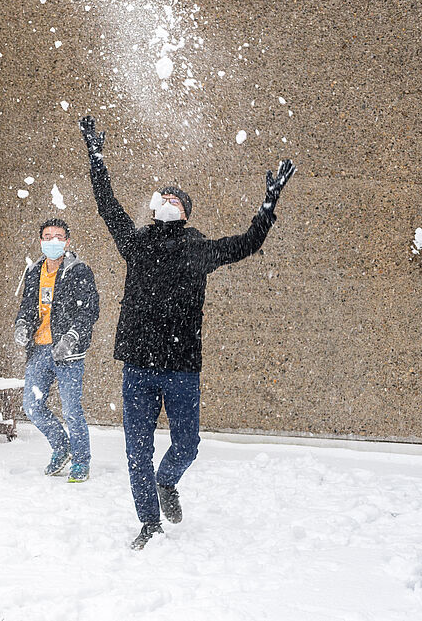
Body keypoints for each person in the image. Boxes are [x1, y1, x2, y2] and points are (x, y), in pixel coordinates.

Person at [78, 115, 295, 550]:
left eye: (178, 199)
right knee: (135, 451)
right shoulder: (136, 243)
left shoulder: (199, 249)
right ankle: (149, 523)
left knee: (188, 445)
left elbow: (247, 244)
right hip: (138, 365)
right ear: (157, 208)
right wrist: (96, 159)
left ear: (186, 212)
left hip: (180, 367)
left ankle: (166, 481)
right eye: (166, 196)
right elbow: (108, 207)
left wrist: (267, 206)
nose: (170, 200)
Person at [14, 218, 100, 482]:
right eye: (47, 237)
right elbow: (28, 306)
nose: (53, 241)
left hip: (68, 353)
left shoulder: (78, 270)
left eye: (58, 237)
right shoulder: (34, 271)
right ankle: (62, 447)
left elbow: (89, 310)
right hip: (39, 350)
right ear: (40, 242)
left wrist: (71, 338)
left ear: (67, 242)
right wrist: (22, 324)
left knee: (72, 410)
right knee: (32, 406)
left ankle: (81, 461)